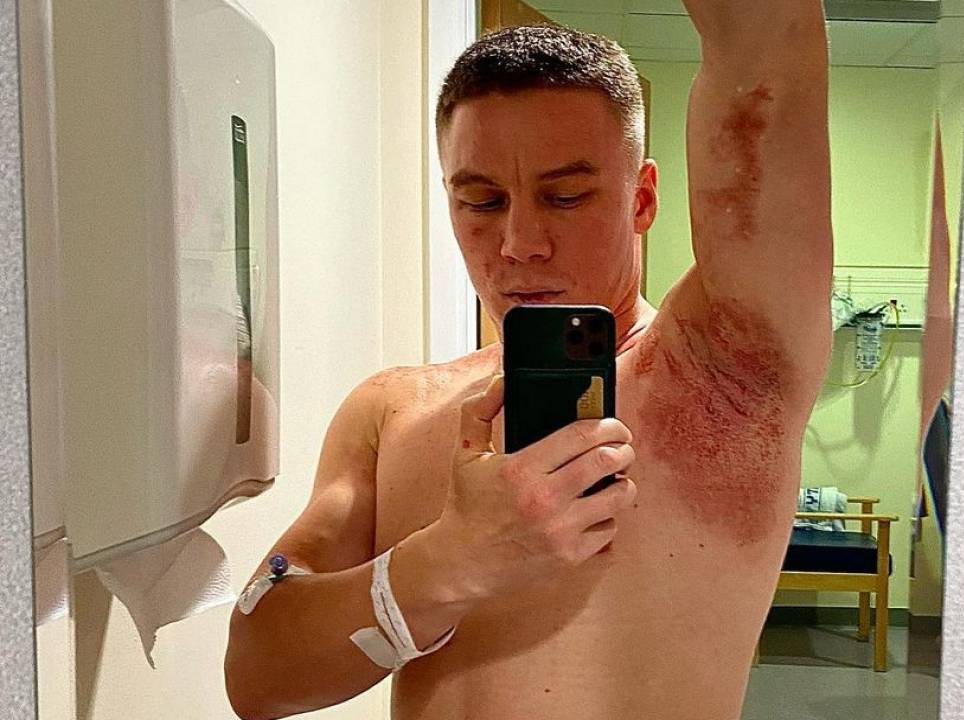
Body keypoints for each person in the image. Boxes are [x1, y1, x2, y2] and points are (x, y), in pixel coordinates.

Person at [225, 2, 832, 718]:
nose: (519, 244)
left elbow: (768, 44)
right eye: (482, 201)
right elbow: (256, 676)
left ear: (641, 199)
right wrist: (449, 560)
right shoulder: (391, 411)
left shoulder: (729, 367)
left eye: (565, 196)